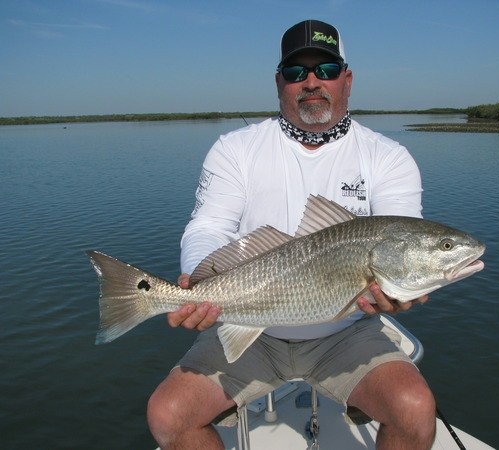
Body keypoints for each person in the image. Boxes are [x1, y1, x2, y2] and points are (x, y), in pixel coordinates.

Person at [147, 19, 436, 450]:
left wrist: (403, 287)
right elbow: (209, 225)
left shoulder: (387, 157)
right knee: (168, 415)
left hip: (347, 331)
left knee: (414, 409)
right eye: (297, 72)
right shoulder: (236, 148)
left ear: (347, 79)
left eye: (327, 69)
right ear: (279, 81)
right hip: (250, 324)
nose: (312, 82)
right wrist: (197, 281)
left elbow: (400, 238)